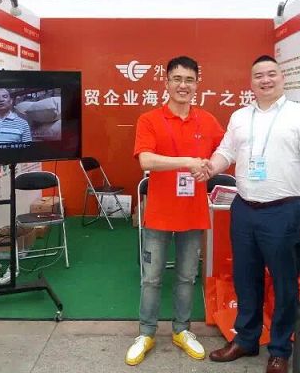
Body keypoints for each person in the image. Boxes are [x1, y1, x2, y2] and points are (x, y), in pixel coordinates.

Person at [203, 55, 300, 373]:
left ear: (283, 78)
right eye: (258, 75)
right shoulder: (240, 116)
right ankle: (246, 339)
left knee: (285, 282)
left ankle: (279, 350)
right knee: (246, 278)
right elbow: (226, 151)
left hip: (282, 211)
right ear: (251, 82)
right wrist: (210, 167)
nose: (265, 80)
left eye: (271, 74)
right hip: (244, 208)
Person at [126, 56, 225, 366]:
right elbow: (146, 161)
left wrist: (209, 167)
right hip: (159, 214)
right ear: (166, 82)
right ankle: (146, 333)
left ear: (197, 84)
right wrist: (187, 161)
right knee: (151, 278)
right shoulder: (150, 120)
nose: (183, 85)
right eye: (177, 79)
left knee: (186, 277)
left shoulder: (207, 121)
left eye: (189, 80)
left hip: (193, 213)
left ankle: (182, 330)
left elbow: (224, 152)